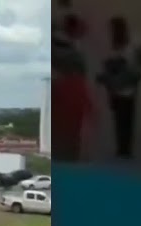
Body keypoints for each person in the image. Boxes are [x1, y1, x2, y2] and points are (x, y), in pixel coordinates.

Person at [96, 16, 141, 160]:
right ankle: (125, 148)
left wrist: (104, 78)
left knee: (121, 118)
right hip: (125, 88)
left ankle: (123, 148)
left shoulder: (121, 48)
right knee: (125, 118)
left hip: (120, 88)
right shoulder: (132, 45)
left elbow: (110, 68)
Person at [55, 12, 96, 162]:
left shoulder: (60, 45)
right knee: (70, 139)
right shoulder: (72, 53)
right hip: (70, 98)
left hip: (64, 97)